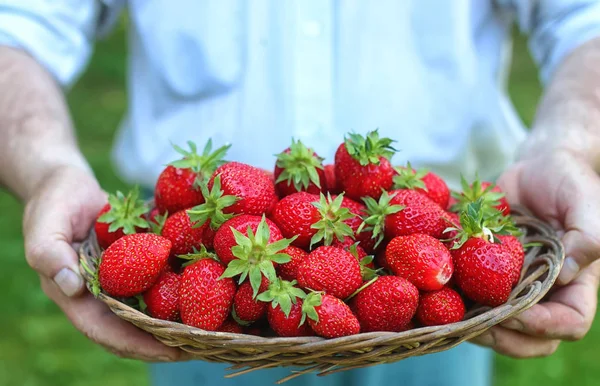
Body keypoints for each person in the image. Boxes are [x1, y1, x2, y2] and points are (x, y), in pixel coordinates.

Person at [1, 1, 600, 385]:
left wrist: (569, 144)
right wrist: (49, 166)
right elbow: (17, 30)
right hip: (207, 310)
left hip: (444, 306)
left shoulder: (431, 265)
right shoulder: (197, 268)